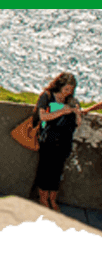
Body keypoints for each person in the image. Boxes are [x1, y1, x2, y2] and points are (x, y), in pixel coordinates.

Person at [34, 72, 101, 210]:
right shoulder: (47, 96)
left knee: (57, 171)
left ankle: (52, 199)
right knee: (45, 169)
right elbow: (42, 116)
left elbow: (78, 123)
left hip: (64, 141)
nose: (68, 92)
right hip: (49, 139)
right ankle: (43, 199)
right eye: (66, 89)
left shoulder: (72, 101)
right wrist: (62, 112)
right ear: (59, 85)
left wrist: (77, 113)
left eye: (70, 90)